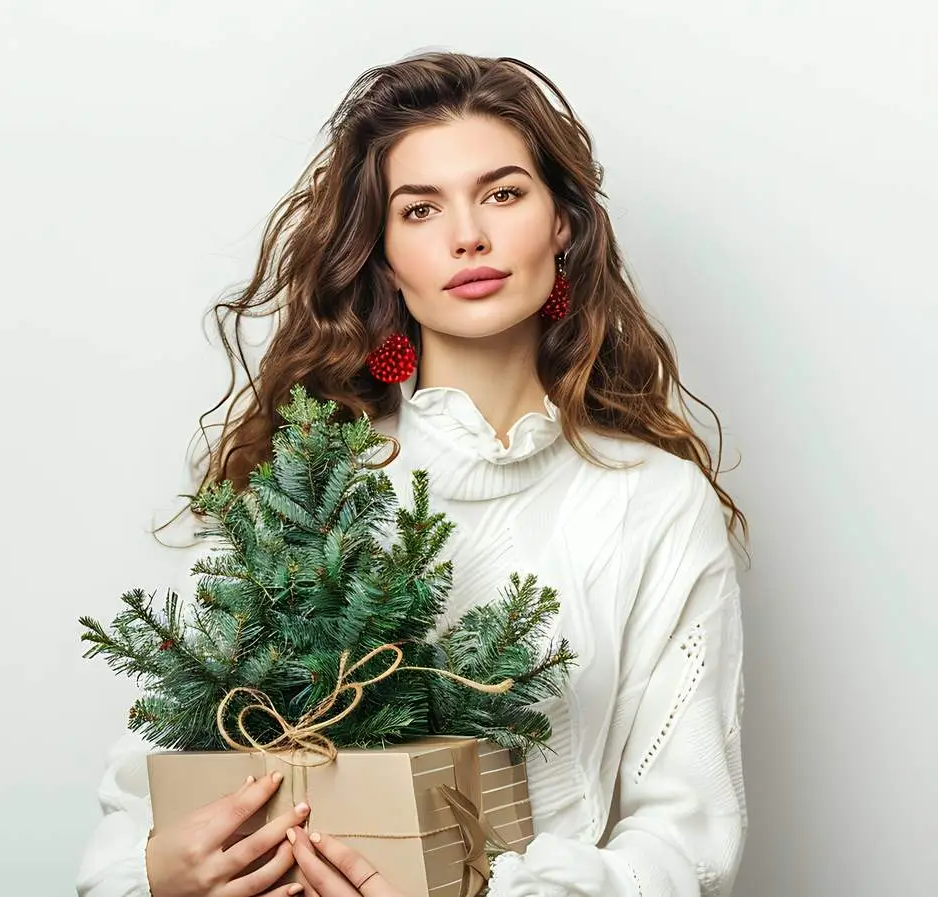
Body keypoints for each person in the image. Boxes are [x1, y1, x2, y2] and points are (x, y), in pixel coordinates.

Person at [75, 51, 749, 897]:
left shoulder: (652, 500)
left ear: (564, 223)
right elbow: (140, 796)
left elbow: (692, 834)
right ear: (385, 256)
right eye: (421, 208)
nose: (468, 234)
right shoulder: (305, 484)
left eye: (502, 193)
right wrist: (157, 874)